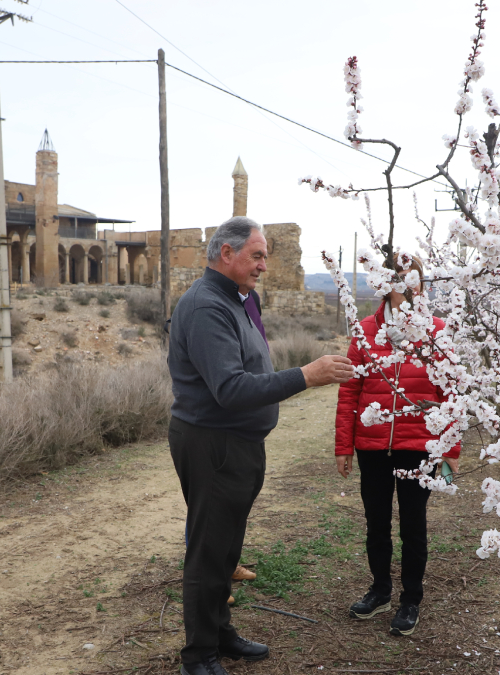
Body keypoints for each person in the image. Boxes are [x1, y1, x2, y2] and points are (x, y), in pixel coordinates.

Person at [168, 216, 354, 675]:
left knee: (227, 548)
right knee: (209, 551)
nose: (264, 266)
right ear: (226, 253)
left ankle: (220, 633)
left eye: (265, 257)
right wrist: (305, 375)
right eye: (257, 256)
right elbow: (230, 389)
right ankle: (198, 656)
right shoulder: (206, 306)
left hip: (238, 443)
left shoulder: (238, 298)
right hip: (213, 443)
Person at [334, 255, 459, 637]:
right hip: (372, 446)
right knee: (376, 523)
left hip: (419, 446)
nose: (407, 284)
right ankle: (380, 590)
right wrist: (343, 445)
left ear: (422, 284)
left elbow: (452, 395)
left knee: (413, 525)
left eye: (413, 277)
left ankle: (411, 599)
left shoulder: (436, 331)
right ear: (385, 283)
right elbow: (350, 390)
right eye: (399, 277)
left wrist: (450, 451)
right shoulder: (365, 331)